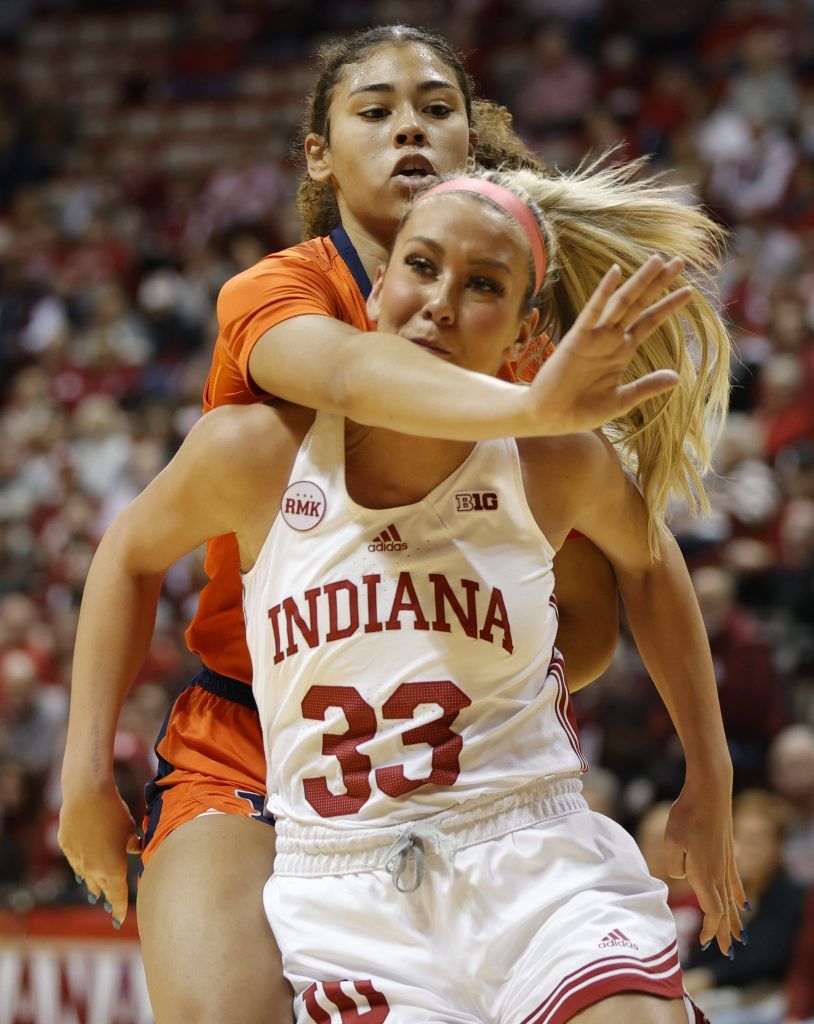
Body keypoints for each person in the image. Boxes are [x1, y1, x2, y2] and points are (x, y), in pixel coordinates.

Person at [58, 26, 731, 1024]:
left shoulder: (534, 362)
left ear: (472, 144)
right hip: (252, 726)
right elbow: (345, 373)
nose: (408, 126)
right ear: (318, 154)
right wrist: (82, 776)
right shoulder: (287, 298)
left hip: (458, 756)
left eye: (434, 107)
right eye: (373, 110)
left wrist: (501, 669)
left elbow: (618, 587)